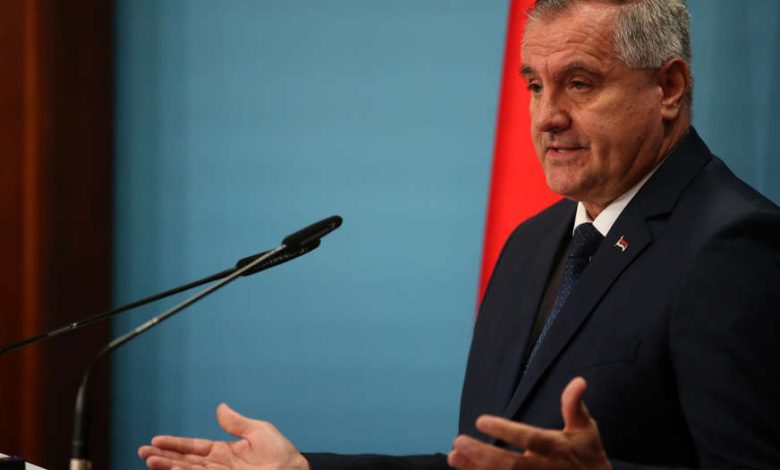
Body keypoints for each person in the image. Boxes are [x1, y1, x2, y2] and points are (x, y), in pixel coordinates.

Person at [138, 0, 780, 468]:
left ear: (668, 87)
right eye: (535, 86)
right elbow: (479, 462)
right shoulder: (531, 245)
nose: (547, 116)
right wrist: (304, 468)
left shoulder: (732, 246)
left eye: (580, 83)